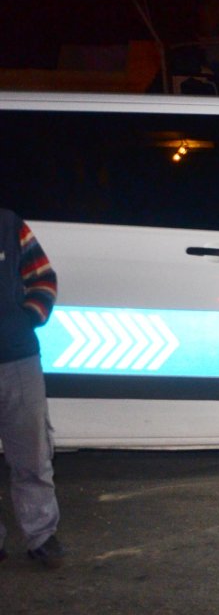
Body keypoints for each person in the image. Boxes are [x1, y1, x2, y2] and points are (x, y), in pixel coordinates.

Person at [0, 208, 65, 569]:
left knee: (32, 455)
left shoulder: (9, 226)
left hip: (17, 360)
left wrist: (26, 320)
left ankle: (41, 535)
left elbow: (44, 278)